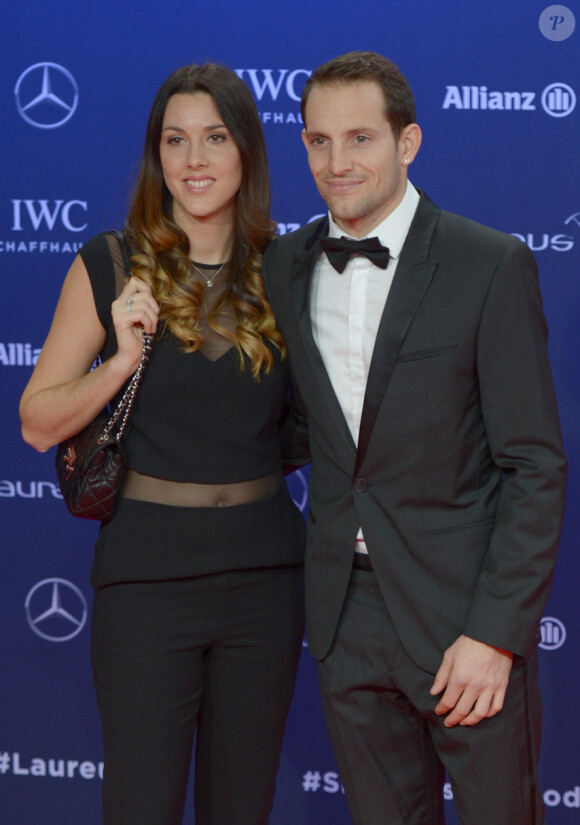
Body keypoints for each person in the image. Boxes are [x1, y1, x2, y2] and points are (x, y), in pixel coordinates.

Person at [262, 51, 567, 825]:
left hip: (463, 610)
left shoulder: (489, 263)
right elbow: (301, 427)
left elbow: (533, 463)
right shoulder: (285, 264)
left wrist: (495, 634)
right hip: (345, 618)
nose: (337, 162)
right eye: (318, 141)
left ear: (408, 143)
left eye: (360, 138)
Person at [19, 63, 306, 825]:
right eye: (175, 140)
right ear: (157, 156)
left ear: (246, 151)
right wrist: (118, 358)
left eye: (215, 137)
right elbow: (38, 420)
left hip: (265, 581)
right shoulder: (110, 264)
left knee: (241, 808)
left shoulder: (286, 269)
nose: (194, 159)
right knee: (141, 805)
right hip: (148, 583)